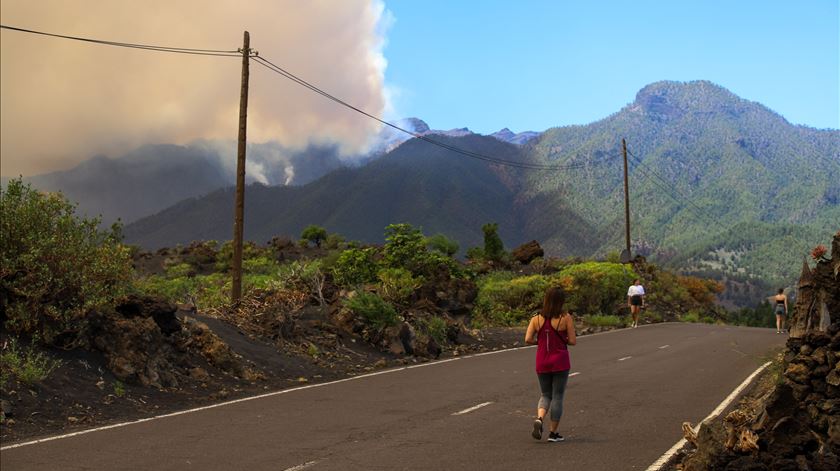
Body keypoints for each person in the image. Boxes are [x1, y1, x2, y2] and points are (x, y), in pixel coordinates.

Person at [525, 286, 576, 443]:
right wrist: (562, 340)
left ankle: (540, 418)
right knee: (558, 396)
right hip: (560, 361)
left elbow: (527, 339)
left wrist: (539, 342)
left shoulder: (536, 318)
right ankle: (553, 434)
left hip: (542, 361)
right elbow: (573, 341)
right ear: (561, 301)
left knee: (545, 394)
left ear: (545, 299)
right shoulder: (565, 318)